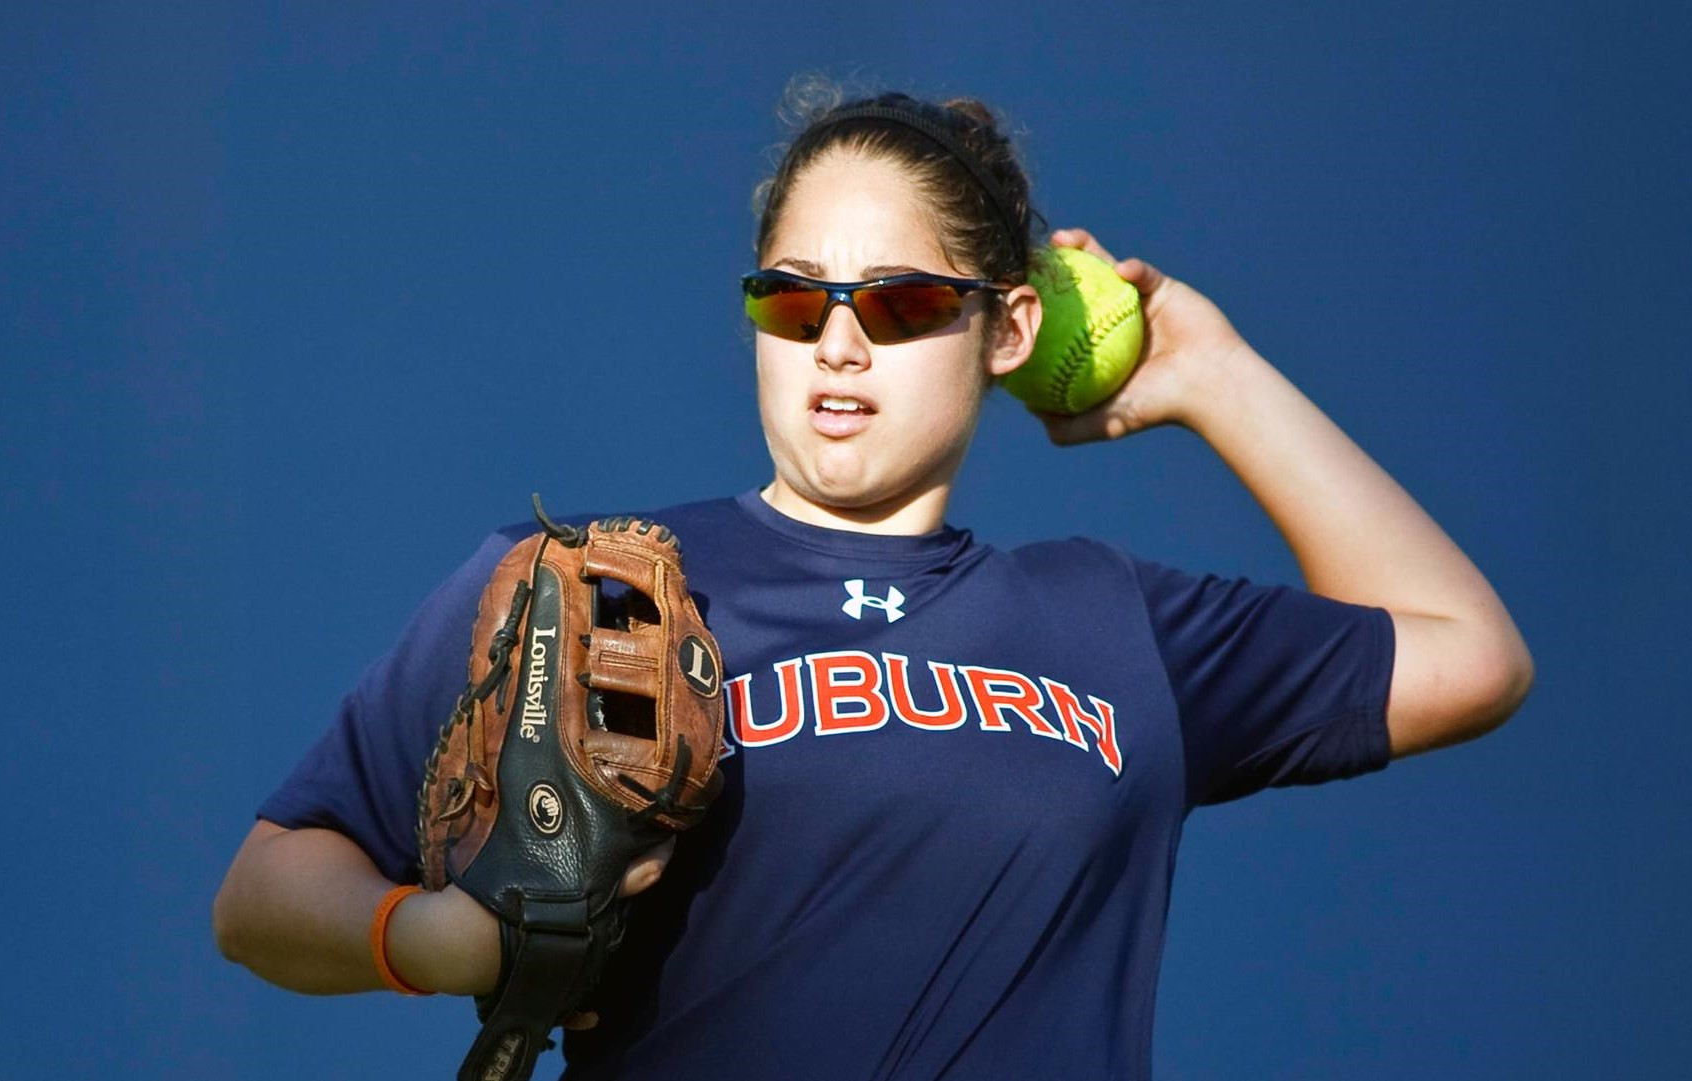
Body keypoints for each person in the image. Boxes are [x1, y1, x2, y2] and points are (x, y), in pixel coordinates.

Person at [213, 85, 1533, 1079]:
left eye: (899, 303)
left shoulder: (1107, 619)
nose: (837, 342)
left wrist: (1217, 377)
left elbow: (1466, 652)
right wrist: (440, 940)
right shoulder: (591, 591)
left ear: (1005, 326)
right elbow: (266, 888)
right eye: (792, 302)